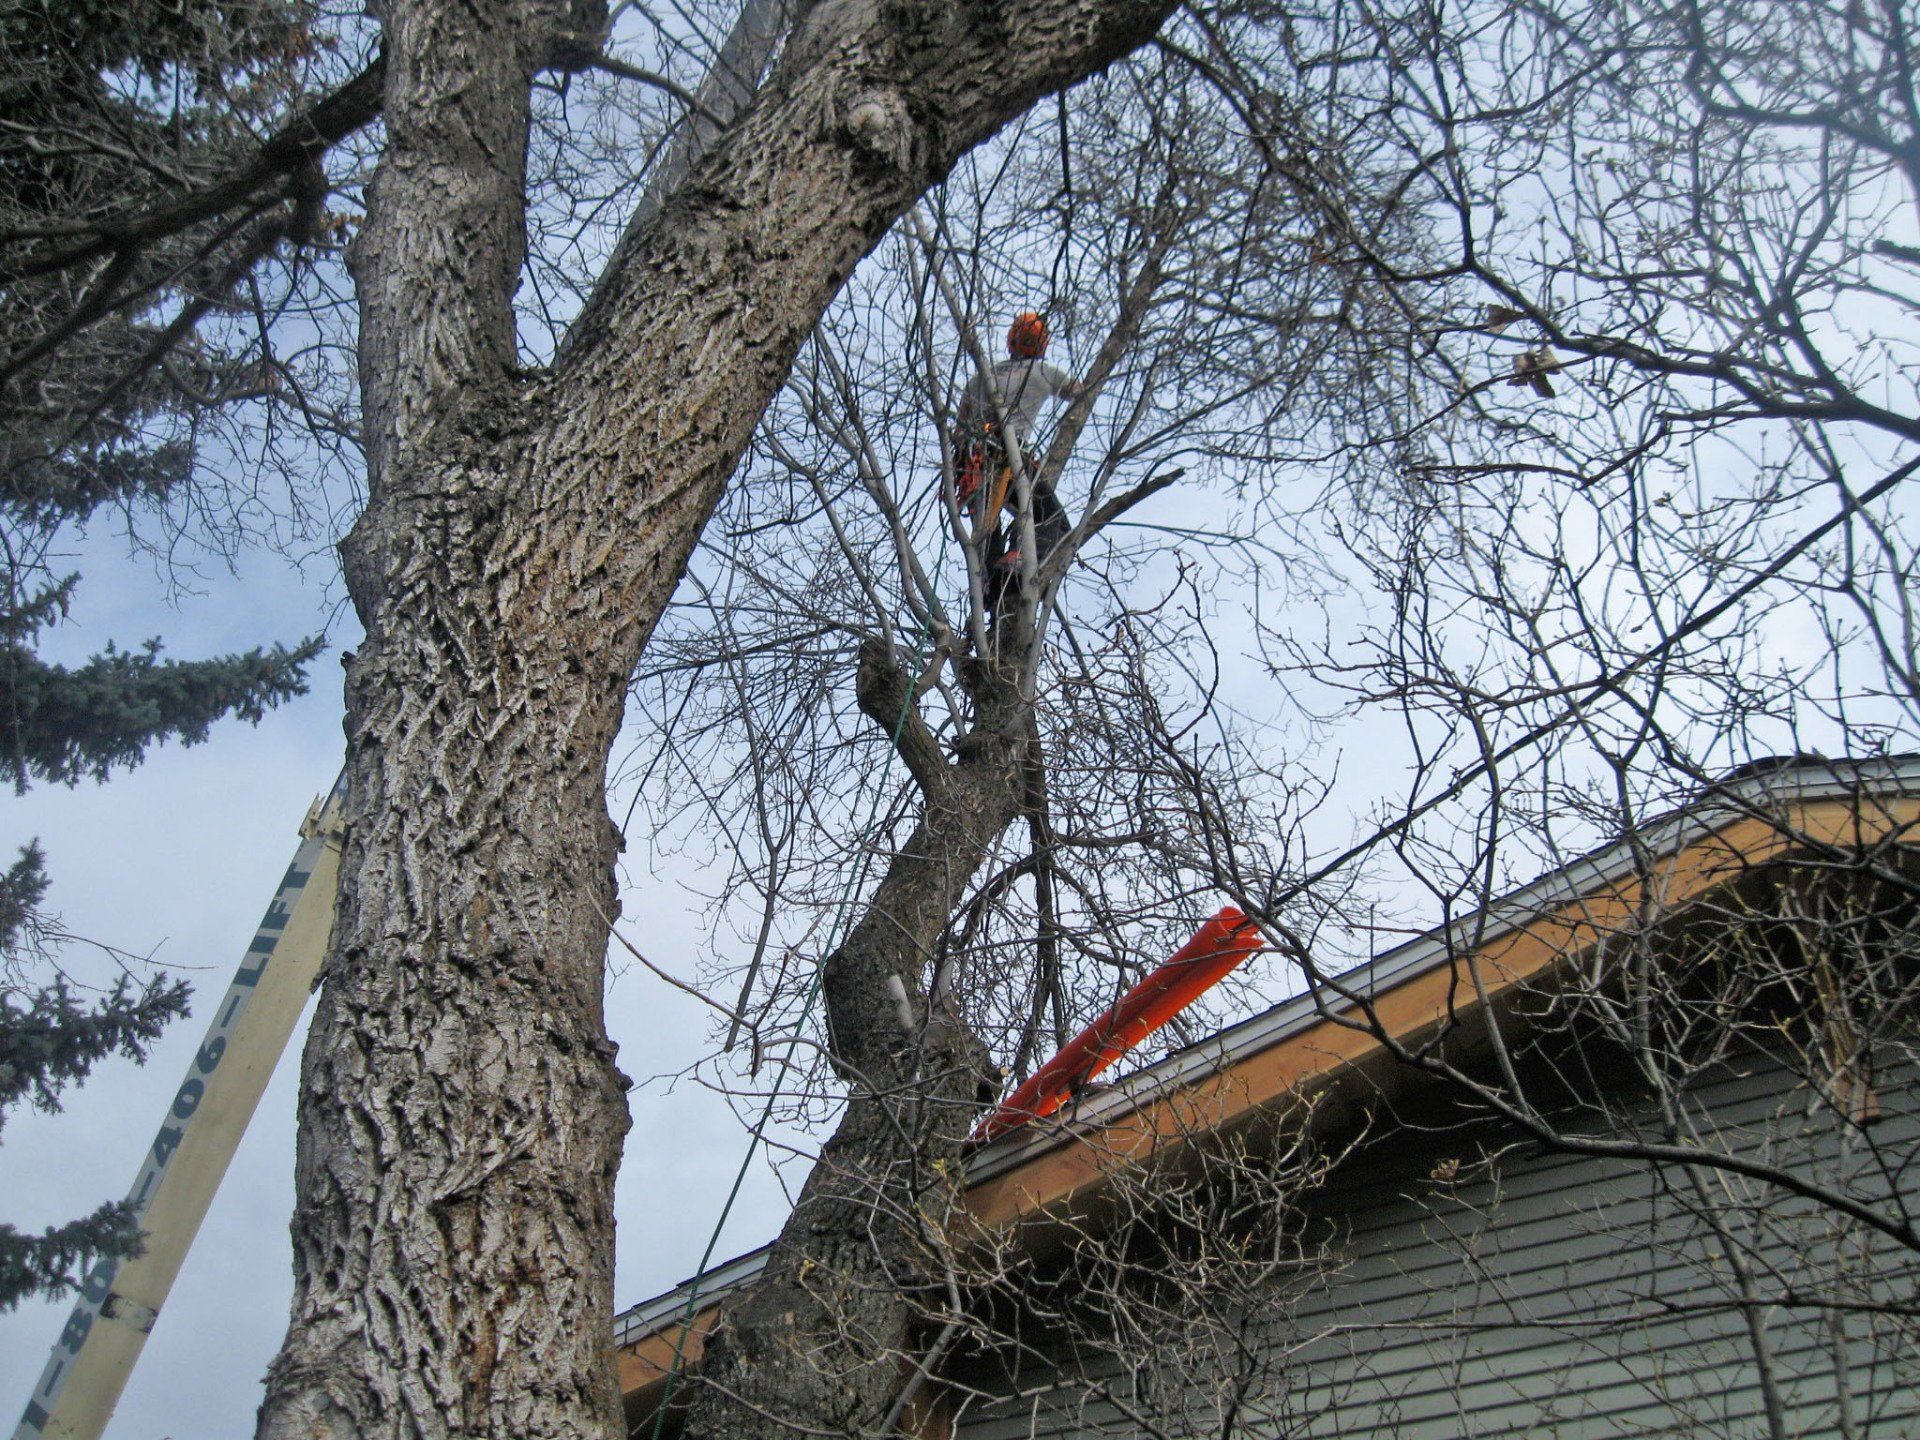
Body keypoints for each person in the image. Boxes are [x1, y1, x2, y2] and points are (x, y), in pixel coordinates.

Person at [953, 312, 1081, 578]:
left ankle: (991, 583)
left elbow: (959, 429)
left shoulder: (981, 378)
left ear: (1012, 340)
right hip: (1010, 456)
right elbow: (1080, 391)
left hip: (974, 465)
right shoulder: (1043, 371)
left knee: (988, 528)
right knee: (1052, 518)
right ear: (1041, 345)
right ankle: (1022, 559)